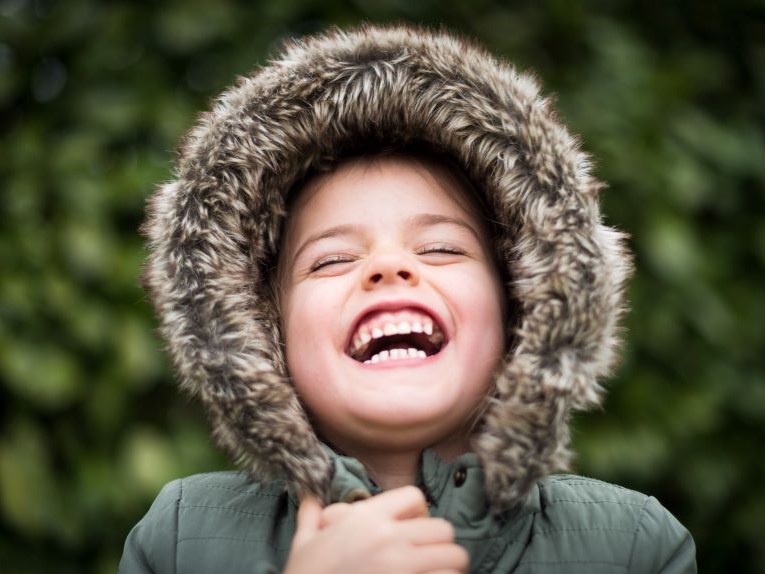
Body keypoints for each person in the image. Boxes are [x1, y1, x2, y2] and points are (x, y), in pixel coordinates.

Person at [119, 24, 697, 574]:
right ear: (263, 332)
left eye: (442, 248)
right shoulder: (178, 535)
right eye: (332, 259)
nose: (388, 266)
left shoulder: (633, 544)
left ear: (521, 312)